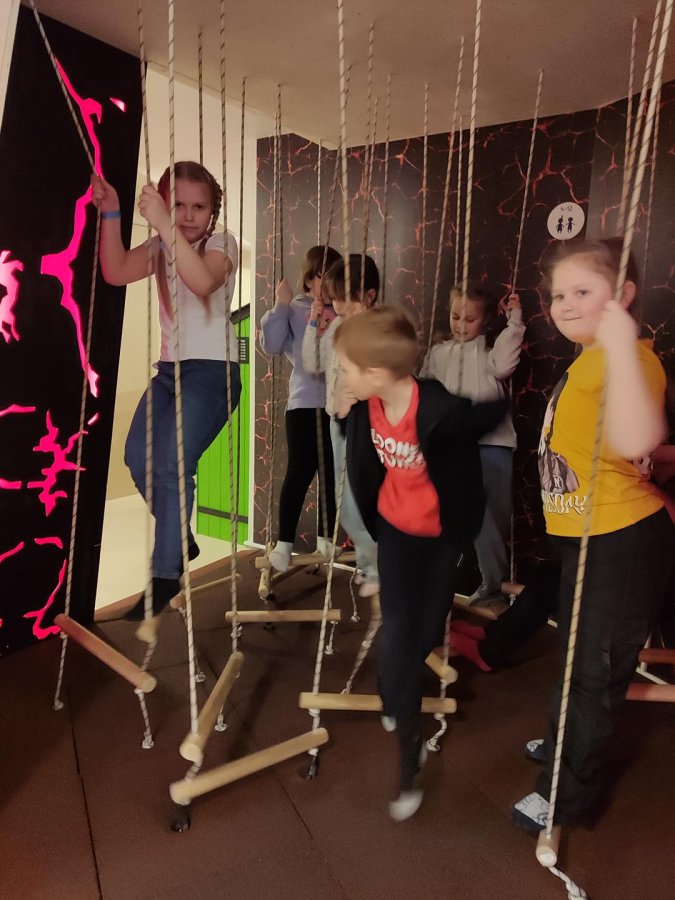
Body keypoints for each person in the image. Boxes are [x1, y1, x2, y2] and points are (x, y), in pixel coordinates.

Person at [511, 237, 674, 832]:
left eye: (582, 291)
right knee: (575, 656)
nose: (564, 305)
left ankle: (568, 792)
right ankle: (564, 748)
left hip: (622, 538)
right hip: (585, 534)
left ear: (623, 295)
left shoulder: (633, 359)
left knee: (594, 671)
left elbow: (636, 440)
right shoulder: (587, 360)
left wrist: (622, 346)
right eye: (558, 295)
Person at [333, 307, 508, 820]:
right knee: (400, 637)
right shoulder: (365, 408)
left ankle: (397, 686)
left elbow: (479, 416)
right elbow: (359, 454)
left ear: (377, 373)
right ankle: (409, 757)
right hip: (395, 532)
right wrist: (341, 416)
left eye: (346, 370)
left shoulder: (437, 408)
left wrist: (497, 405)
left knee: (426, 633)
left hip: (440, 539)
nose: (342, 379)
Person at [91, 161, 241, 619]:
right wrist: (113, 212)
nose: (189, 215)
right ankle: (180, 540)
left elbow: (202, 281)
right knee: (138, 457)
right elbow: (116, 271)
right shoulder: (160, 246)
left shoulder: (221, 244)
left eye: (199, 207)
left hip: (213, 372)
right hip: (168, 372)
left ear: (213, 212)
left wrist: (162, 222)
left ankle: (164, 574)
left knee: (174, 464)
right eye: (179, 205)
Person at [424, 285, 525, 606]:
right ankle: (445, 578)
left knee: (489, 519)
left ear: (485, 320)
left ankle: (493, 583)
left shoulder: (489, 351)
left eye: (470, 319)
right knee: (446, 514)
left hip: (491, 445)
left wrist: (515, 321)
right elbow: (424, 391)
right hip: (451, 447)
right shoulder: (438, 353)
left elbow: (505, 364)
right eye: (455, 316)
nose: (460, 325)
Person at [302, 254, 380, 597]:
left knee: (362, 500)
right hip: (338, 420)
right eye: (335, 297)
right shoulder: (336, 327)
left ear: (369, 296)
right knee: (343, 507)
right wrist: (313, 323)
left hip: (366, 423)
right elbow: (313, 363)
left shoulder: (378, 327)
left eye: (346, 297)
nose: (338, 305)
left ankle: (376, 567)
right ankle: (370, 563)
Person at [259, 246, 341, 572]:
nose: (330, 284)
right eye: (324, 277)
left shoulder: (341, 311)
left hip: (336, 404)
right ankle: (284, 544)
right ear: (309, 279)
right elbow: (271, 345)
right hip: (304, 403)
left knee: (331, 474)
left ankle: (325, 538)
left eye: (335, 277)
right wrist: (280, 304)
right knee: (299, 473)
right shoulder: (295, 308)